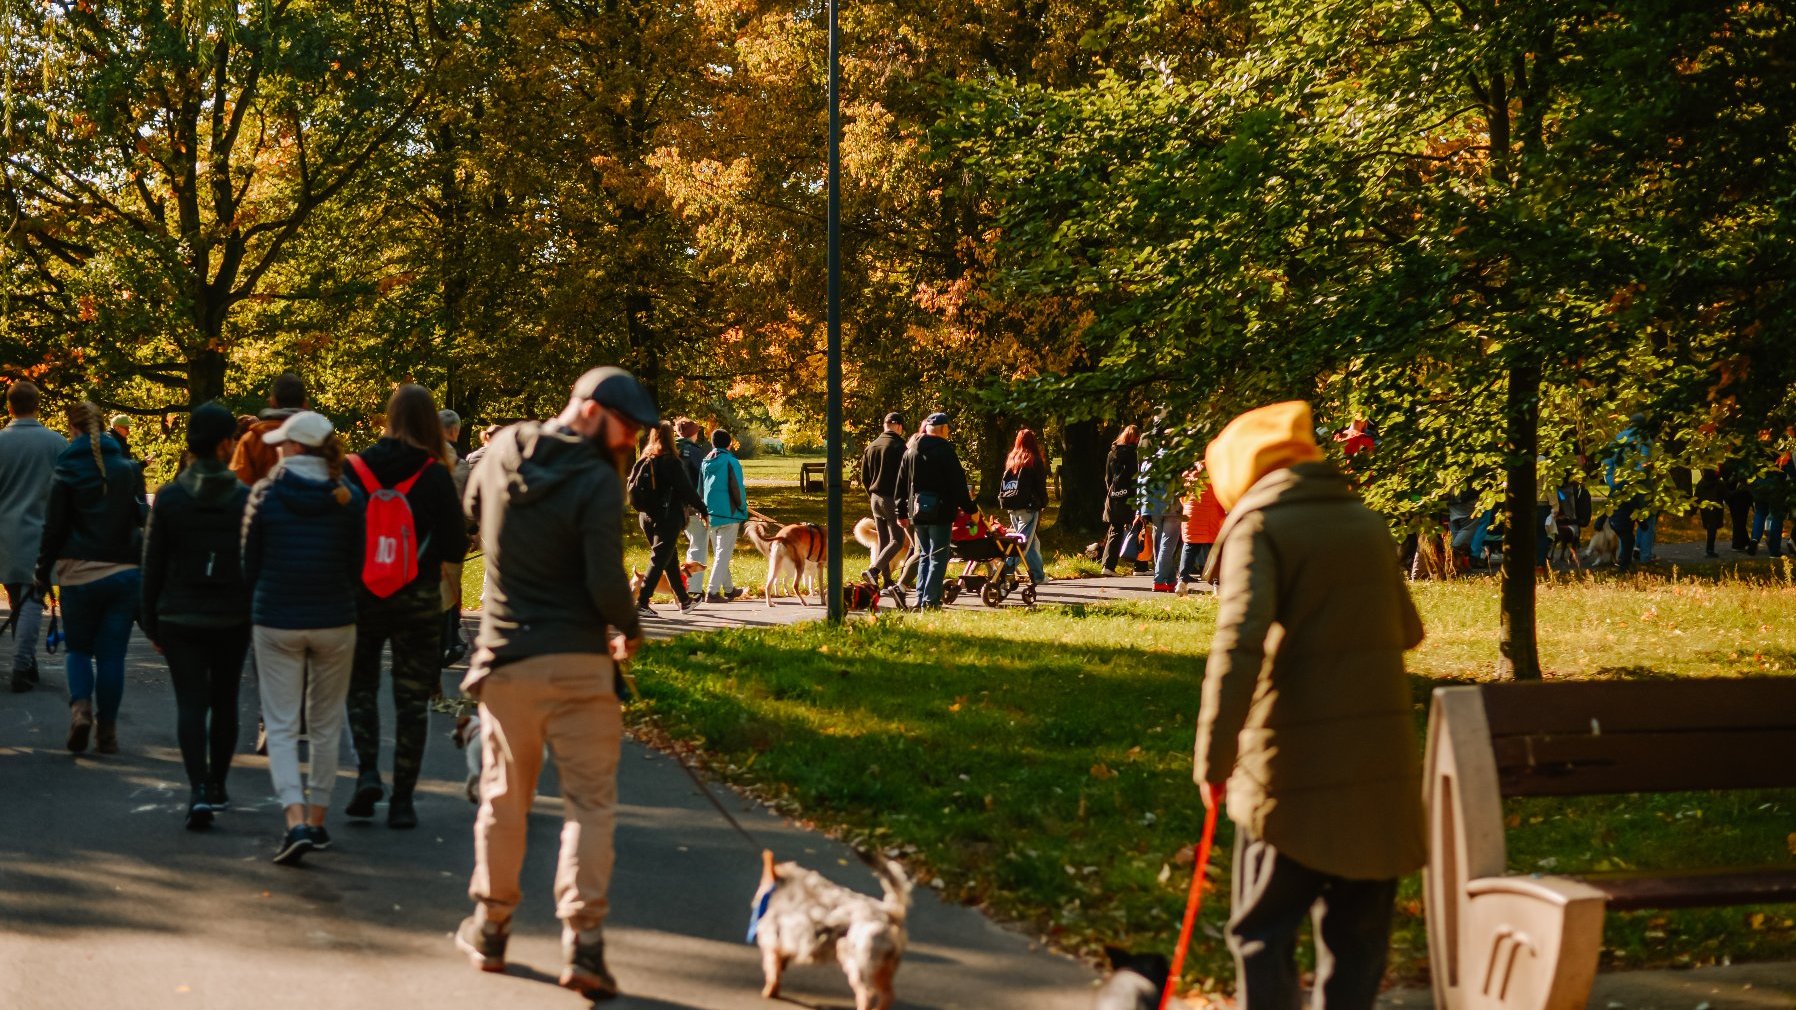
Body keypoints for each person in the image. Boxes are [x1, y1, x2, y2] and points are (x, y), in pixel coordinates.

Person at [1193, 401, 1425, 1010]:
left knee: (1261, 931)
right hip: (1381, 767)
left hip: (1290, 767)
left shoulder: (1261, 524)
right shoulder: (1368, 521)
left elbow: (1238, 643)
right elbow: (1408, 630)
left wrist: (1212, 760)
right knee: (1358, 939)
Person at [456, 366, 657, 999]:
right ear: (592, 409)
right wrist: (628, 626)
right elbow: (603, 579)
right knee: (590, 805)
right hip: (579, 663)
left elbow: (468, 508)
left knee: (502, 798)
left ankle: (491, 927)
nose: (628, 442)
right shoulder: (596, 479)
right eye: (626, 428)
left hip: (507, 659)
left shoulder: (501, 450)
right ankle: (585, 944)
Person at [241, 410, 366, 865]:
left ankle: (293, 818)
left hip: (277, 618)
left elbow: (249, 563)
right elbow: (357, 565)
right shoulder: (347, 497)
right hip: (335, 617)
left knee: (280, 725)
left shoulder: (265, 494)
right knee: (326, 723)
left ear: (294, 447)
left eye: (281, 443)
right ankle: (317, 818)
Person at [342, 385, 466, 830]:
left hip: (363, 595)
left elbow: (341, 532)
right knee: (412, 698)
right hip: (417, 598)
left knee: (361, 688)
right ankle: (403, 801)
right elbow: (453, 544)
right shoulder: (434, 473)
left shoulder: (354, 468)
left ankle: (366, 775)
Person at [140, 403, 250, 829]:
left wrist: (149, 617)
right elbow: (251, 558)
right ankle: (218, 785)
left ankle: (197, 788)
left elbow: (153, 562)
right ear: (224, 443)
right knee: (225, 701)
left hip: (179, 614)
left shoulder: (170, 497)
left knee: (190, 702)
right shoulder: (242, 497)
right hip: (231, 614)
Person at [36, 400, 146, 754]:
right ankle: (108, 730)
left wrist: (42, 572)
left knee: (79, 649)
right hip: (123, 572)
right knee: (112, 656)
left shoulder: (66, 469)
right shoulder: (126, 469)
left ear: (74, 430)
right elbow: (139, 517)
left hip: (78, 572)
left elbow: (54, 528)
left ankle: (81, 709)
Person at [0, 381, 68, 693]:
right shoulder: (55, 443)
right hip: (42, 532)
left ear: (9, 407)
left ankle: (26, 662)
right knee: (30, 599)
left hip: (5, 534)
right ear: (37, 405)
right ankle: (22, 664)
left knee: (20, 598)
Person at [894, 412, 972, 608]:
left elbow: (901, 484)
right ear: (944, 429)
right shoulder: (945, 450)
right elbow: (958, 483)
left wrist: (901, 512)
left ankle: (920, 597)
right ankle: (930, 600)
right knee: (938, 555)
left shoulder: (911, 450)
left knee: (925, 555)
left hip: (918, 511)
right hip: (941, 510)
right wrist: (970, 507)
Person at [628, 421, 705, 614]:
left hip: (645, 515)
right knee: (659, 558)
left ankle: (684, 600)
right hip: (667, 516)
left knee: (669, 557)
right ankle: (643, 602)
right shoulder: (670, 461)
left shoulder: (645, 459)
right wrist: (702, 509)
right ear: (671, 437)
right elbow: (686, 489)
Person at [231, 371, 308, 485]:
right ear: (305, 404)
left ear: (272, 402)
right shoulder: (322, 439)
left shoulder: (252, 441)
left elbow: (238, 486)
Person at [439, 408, 473, 665]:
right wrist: (472, 531)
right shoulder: (460, 466)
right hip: (451, 537)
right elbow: (470, 506)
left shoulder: (418, 459)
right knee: (450, 588)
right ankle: (450, 635)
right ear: (454, 432)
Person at [699, 428, 748, 603]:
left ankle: (729, 589)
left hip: (709, 512)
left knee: (721, 553)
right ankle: (712, 592)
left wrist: (701, 510)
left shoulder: (705, 462)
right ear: (729, 444)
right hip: (728, 513)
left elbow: (701, 488)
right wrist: (743, 508)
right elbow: (737, 488)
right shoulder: (731, 461)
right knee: (723, 553)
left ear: (712, 443)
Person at [860, 413, 908, 586]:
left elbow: (864, 477)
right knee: (897, 540)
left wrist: (871, 495)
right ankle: (874, 570)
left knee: (883, 540)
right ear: (899, 426)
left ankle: (887, 581)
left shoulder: (871, 447)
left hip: (875, 498)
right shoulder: (900, 447)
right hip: (891, 499)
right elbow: (906, 478)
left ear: (884, 425)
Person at [997, 428, 1049, 584]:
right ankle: (1005, 569)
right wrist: (1043, 502)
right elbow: (1040, 485)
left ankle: (1038, 575)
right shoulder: (1034, 460)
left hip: (1012, 507)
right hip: (1029, 507)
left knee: (1031, 543)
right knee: (1022, 544)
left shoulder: (1012, 459)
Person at [1140, 437, 1183, 592]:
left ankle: (1170, 579)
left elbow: (1141, 485)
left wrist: (1142, 509)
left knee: (1160, 543)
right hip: (1172, 506)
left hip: (1153, 507)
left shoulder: (1148, 461)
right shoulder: (1178, 460)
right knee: (1168, 544)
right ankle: (1158, 580)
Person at [1099, 426, 1140, 575]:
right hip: (1130, 496)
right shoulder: (1135, 454)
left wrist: (1113, 490)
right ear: (1136, 438)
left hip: (1115, 496)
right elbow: (1136, 477)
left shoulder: (1112, 453)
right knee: (1138, 527)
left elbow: (1107, 477)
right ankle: (1140, 565)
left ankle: (1107, 565)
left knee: (1114, 529)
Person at [1178, 463, 1225, 587]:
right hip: (1212, 517)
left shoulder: (1188, 475)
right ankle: (1217, 583)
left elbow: (1182, 498)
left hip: (1191, 516)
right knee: (1215, 551)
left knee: (1189, 548)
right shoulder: (1215, 476)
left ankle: (1182, 581)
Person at [674, 418, 709, 567]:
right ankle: (693, 587)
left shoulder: (669, 448)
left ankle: (727, 586)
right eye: (696, 432)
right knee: (698, 544)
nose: (697, 435)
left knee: (697, 541)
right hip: (692, 504)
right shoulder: (694, 451)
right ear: (691, 434)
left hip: (673, 504)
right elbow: (703, 476)